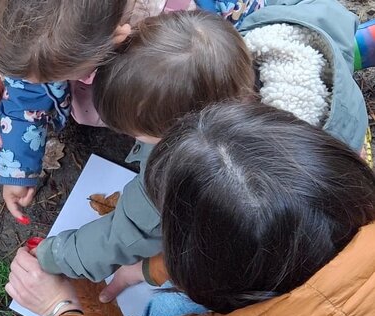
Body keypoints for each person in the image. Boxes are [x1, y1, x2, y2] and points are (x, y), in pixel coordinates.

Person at [6, 101, 375, 316]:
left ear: (208, 278)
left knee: (164, 315)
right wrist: (152, 268)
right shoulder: (353, 210)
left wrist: (58, 308)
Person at [31, 8, 370, 298]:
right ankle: (360, 47)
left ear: (183, 135)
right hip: (343, 141)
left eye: (135, 132)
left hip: (294, 231)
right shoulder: (278, 31)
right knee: (341, 47)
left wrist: (54, 255)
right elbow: (324, 11)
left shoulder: (182, 177)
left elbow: (125, 233)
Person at [0, 0, 271, 223]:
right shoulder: (43, 37)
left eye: (54, 78)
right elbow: (24, 95)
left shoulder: (190, 41)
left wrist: (159, 130)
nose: (34, 85)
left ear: (117, 37)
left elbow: (219, 79)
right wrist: (17, 168)